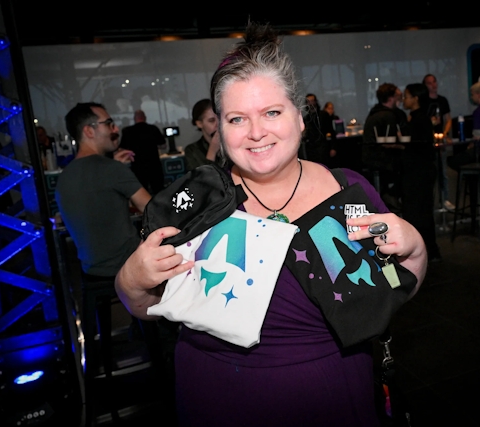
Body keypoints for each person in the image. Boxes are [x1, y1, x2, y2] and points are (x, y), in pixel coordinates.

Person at [115, 23, 427, 427]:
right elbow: (148, 306)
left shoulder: (348, 191)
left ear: (300, 118)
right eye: (237, 119)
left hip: (332, 392)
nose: (256, 132)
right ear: (220, 130)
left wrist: (415, 248)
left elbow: (392, 290)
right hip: (216, 396)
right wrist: (131, 279)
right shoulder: (196, 203)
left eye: (272, 113)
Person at [55, 102, 151, 279]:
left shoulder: (65, 176)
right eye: (108, 123)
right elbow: (152, 210)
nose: (115, 128)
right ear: (89, 131)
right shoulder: (112, 169)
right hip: (127, 266)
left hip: (91, 269)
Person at [402, 83, 441, 263]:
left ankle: (425, 251)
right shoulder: (420, 117)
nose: (404, 99)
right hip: (422, 169)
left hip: (419, 171)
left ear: (416, 98)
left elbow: (417, 146)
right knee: (422, 210)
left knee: (418, 210)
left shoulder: (418, 119)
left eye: (407, 96)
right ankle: (428, 250)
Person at [362, 83, 408, 209]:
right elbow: (391, 141)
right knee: (410, 166)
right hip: (381, 158)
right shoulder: (389, 115)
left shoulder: (374, 113)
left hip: (371, 157)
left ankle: (387, 194)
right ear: (391, 98)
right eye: (398, 96)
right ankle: (392, 195)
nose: (401, 98)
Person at [422, 74, 454, 211]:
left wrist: (445, 133)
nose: (433, 85)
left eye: (434, 82)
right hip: (427, 141)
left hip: (440, 139)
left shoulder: (443, 100)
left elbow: (448, 119)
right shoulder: (423, 102)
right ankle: (430, 201)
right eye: (429, 83)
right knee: (429, 172)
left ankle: (445, 199)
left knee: (443, 171)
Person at [119, 109, 166, 194]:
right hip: (154, 165)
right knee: (158, 190)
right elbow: (163, 145)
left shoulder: (127, 131)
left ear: (134, 118)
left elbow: (122, 148)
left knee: (141, 192)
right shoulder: (153, 129)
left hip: (138, 167)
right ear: (145, 117)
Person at [183, 98, 222, 171]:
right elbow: (199, 179)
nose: (218, 124)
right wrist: (212, 151)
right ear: (199, 123)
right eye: (211, 120)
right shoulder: (192, 150)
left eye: (219, 118)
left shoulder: (230, 144)